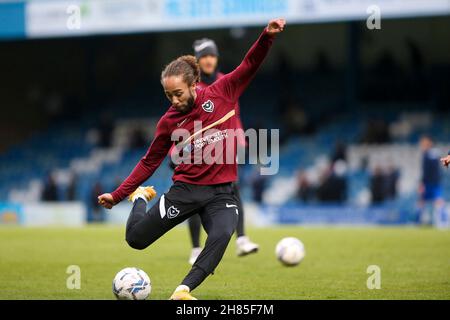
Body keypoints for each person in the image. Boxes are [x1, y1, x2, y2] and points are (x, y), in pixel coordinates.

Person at [97, 19, 286, 300]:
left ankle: (183, 291)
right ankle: (141, 198)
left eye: (178, 93)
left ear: (194, 84)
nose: (173, 100)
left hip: (222, 192)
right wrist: (119, 194)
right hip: (185, 191)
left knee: (222, 234)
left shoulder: (223, 91)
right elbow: (149, 161)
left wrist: (266, 37)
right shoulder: (168, 122)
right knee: (135, 240)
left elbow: (249, 64)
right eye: (167, 94)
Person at [181, 36, 259, 265]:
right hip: (198, 147)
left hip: (225, 144)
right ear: (197, 60)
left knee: (233, 189)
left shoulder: (226, 82)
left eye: (212, 55)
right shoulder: (191, 87)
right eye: (204, 56)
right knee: (193, 195)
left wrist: (240, 138)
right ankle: (196, 248)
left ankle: (242, 239)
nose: (208, 60)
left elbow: (234, 114)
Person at [418, 136, 445, 227]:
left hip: (434, 182)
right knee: (423, 201)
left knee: (437, 200)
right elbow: (424, 170)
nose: (422, 144)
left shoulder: (434, 152)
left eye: (424, 142)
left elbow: (435, 169)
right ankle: (423, 220)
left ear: (429, 142)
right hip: (427, 182)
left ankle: (439, 220)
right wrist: (422, 182)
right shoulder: (425, 154)